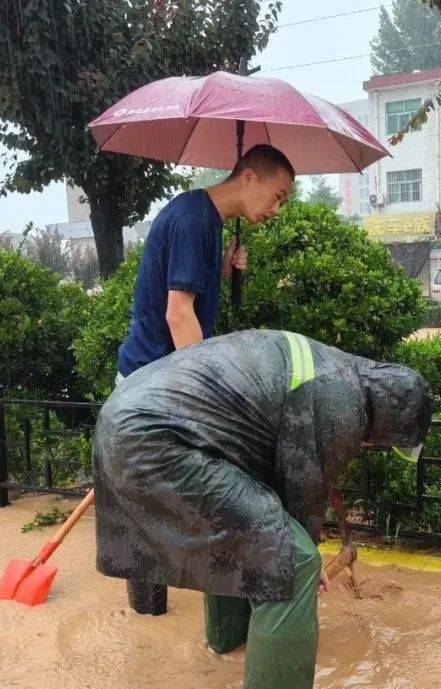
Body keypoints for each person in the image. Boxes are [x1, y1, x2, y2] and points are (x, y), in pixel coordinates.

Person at [93, 329, 433, 689]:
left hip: (119, 421)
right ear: (389, 420)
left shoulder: (331, 365)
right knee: (292, 561)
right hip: (158, 440)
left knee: (242, 533)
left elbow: (266, 485)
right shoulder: (344, 398)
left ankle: (227, 648)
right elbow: (302, 490)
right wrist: (309, 552)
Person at [115, 144, 295, 614]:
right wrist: (210, 397)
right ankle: (149, 612)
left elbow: (180, 295)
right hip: (152, 386)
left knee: (151, 499)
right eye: (277, 196)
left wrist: (222, 265)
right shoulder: (195, 221)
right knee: (156, 502)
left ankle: (151, 613)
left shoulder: (203, 220)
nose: (275, 210)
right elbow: (178, 316)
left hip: (154, 377)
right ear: (249, 178)